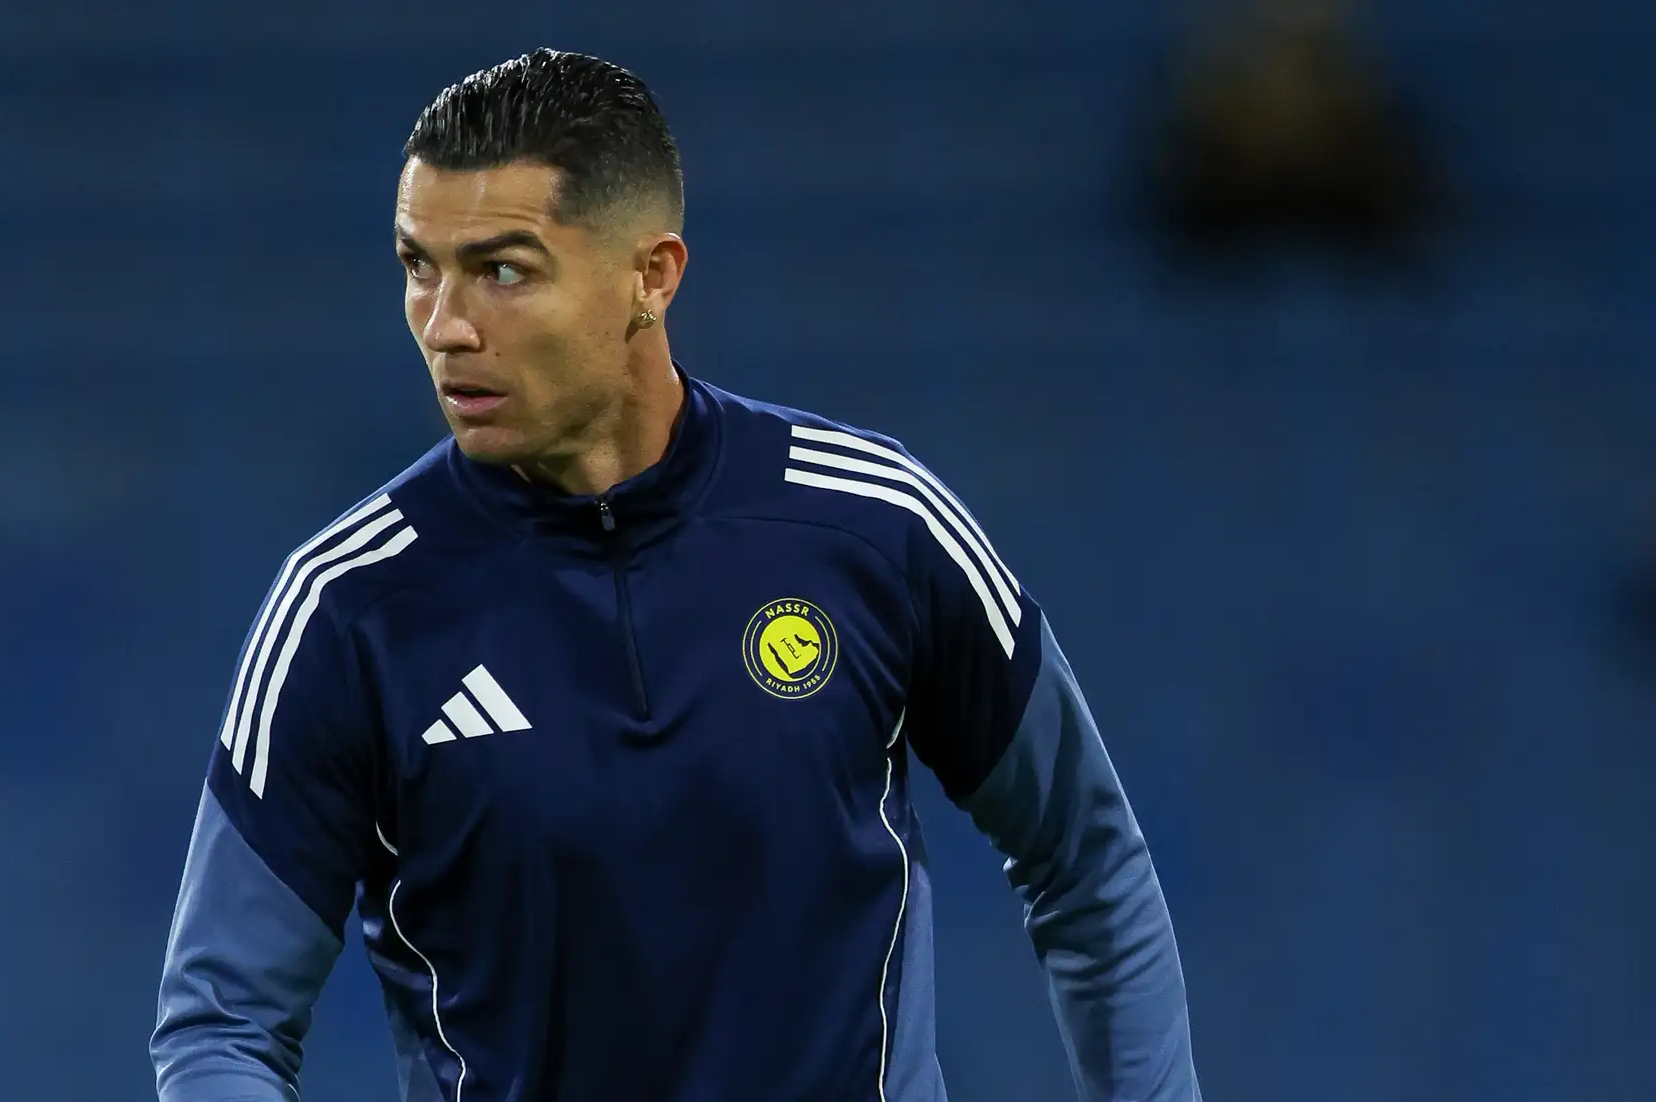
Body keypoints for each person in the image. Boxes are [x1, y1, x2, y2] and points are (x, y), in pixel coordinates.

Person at [151, 47, 1203, 1102]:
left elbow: (1087, 864)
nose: (445, 325)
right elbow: (222, 1024)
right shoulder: (349, 607)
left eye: (503, 271)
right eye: (419, 266)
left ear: (651, 277)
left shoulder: (873, 524)